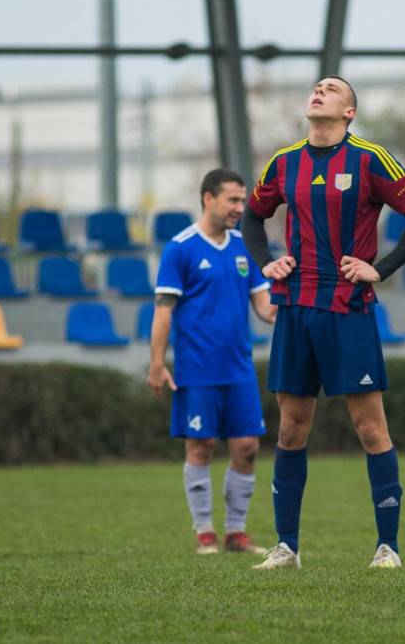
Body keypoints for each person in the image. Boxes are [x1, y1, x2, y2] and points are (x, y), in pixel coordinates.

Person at [240, 76, 405, 569]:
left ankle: (387, 548)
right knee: (290, 429)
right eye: (316, 87)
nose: (319, 91)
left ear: (349, 111)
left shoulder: (370, 158)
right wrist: (266, 261)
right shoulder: (283, 163)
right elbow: (251, 219)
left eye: (332, 89)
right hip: (295, 308)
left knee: (370, 428)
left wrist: (381, 269)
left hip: (348, 309)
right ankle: (287, 548)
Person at [148, 167, 278, 555]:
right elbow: (163, 311)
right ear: (208, 198)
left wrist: (296, 307)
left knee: (247, 446)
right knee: (201, 445)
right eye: (233, 200)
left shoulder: (244, 246)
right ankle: (204, 531)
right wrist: (157, 363)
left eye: (243, 200)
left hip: (239, 368)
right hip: (197, 369)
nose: (241, 207)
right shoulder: (180, 248)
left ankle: (236, 533)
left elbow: (264, 307)